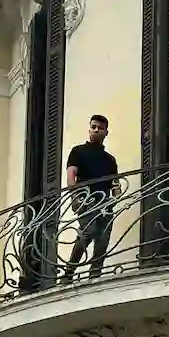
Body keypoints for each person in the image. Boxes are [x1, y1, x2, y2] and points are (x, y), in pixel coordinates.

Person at [63, 114, 119, 282]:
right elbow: (71, 175)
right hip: (85, 199)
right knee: (87, 232)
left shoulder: (110, 160)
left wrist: (116, 196)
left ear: (106, 132)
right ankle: (69, 273)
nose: (96, 130)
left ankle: (95, 276)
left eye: (100, 128)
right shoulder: (78, 151)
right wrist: (75, 196)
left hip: (104, 203)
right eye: (93, 127)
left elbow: (115, 184)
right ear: (89, 129)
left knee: (102, 241)